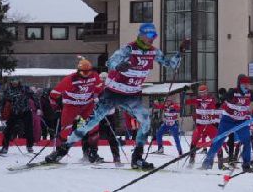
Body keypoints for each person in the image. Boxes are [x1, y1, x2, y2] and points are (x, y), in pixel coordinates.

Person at [43, 23, 186, 169]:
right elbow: (110, 61)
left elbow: (171, 64)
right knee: (89, 125)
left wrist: (180, 52)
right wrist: (118, 66)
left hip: (132, 95)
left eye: (154, 36)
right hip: (113, 94)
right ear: (141, 35)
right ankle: (60, 152)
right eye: (149, 36)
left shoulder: (153, 52)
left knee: (146, 121)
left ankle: (137, 158)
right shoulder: (129, 49)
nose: (152, 39)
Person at [202, 75, 253, 171]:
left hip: (241, 121)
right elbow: (223, 98)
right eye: (244, 84)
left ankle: (246, 165)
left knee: (246, 142)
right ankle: (207, 162)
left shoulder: (250, 94)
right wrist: (219, 102)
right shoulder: (233, 92)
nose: (246, 86)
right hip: (228, 119)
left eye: (248, 84)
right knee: (219, 140)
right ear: (239, 84)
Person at [42, 58, 103, 159]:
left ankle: (93, 153)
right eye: (84, 72)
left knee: (94, 126)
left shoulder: (94, 76)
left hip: (87, 105)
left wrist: (97, 95)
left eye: (89, 71)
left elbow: (99, 87)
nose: (86, 74)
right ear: (78, 71)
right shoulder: (70, 79)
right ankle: (59, 153)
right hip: (71, 106)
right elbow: (53, 94)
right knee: (65, 129)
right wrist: (56, 107)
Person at [186, 84, 220, 166]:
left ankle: (220, 162)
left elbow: (218, 104)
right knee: (194, 141)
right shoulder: (197, 100)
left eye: (204, 92)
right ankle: (191, 160)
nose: (203, 94)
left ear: (207, 92)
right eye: (201, 93)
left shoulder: (212, 99)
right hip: (200, 126)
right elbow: (187, 102)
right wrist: (184, 92)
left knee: (217, 141)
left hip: (210, 125)